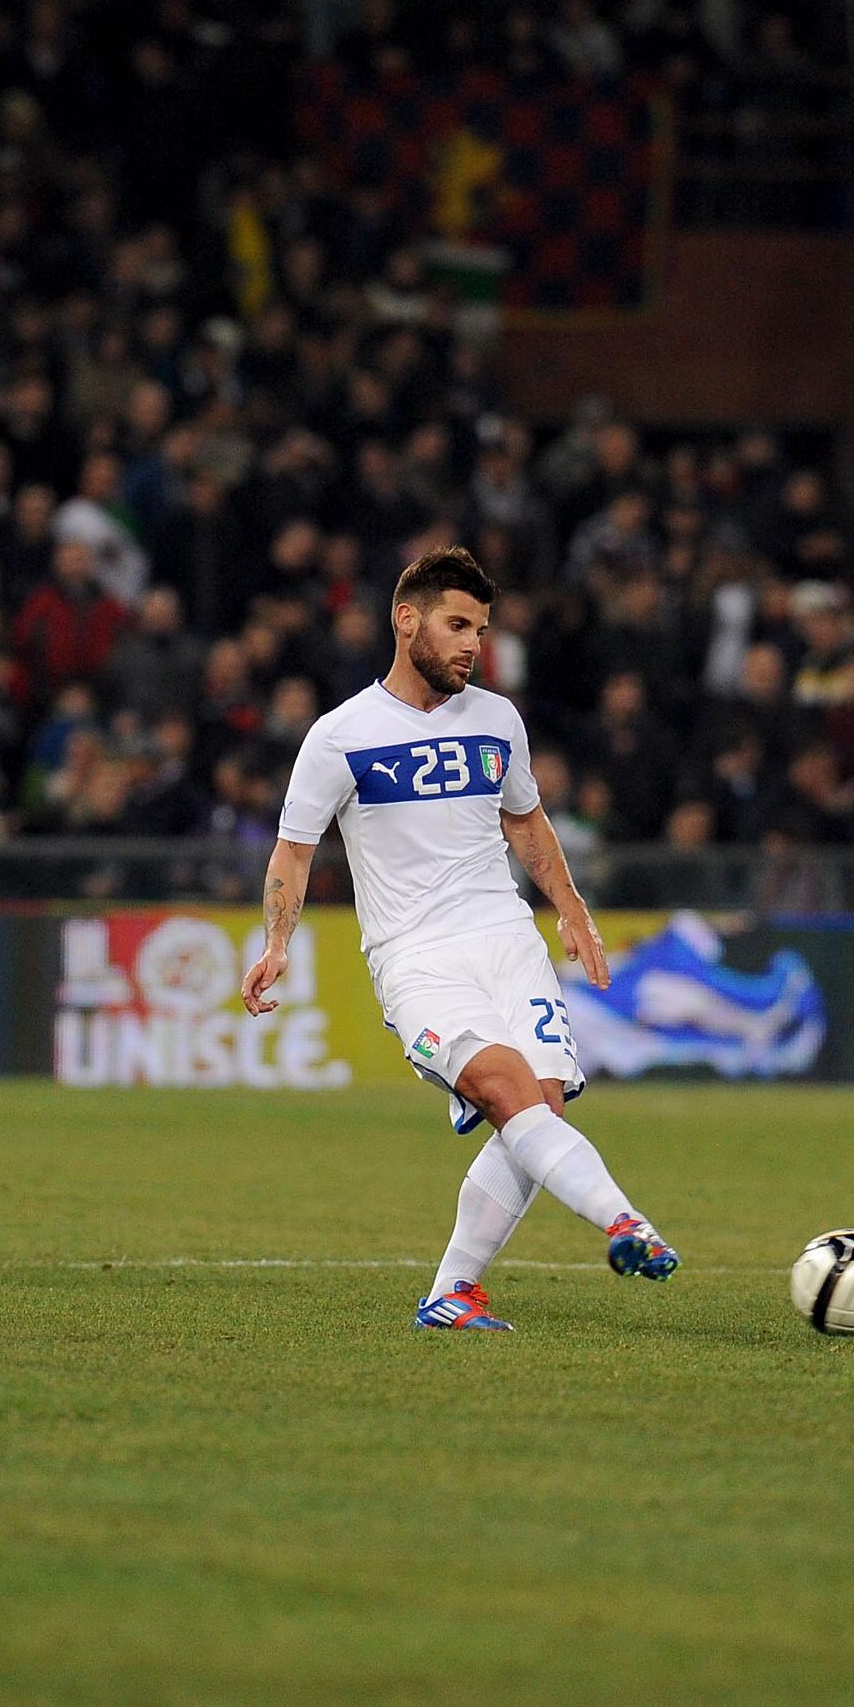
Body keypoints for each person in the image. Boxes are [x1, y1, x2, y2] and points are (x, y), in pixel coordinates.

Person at [240, 546, 678, 1334]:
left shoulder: (496, 719)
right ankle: (625, 1223)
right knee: (506, 1092)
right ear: (406, 622)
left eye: (479, 628)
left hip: (507, 939)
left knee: (539, 1108)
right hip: (417, 956)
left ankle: (451, 1293)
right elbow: (293, 849)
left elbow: (524, 820)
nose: (473, 643)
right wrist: (277, 942)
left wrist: (570, 910)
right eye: (456, 625)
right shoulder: (340, 736)